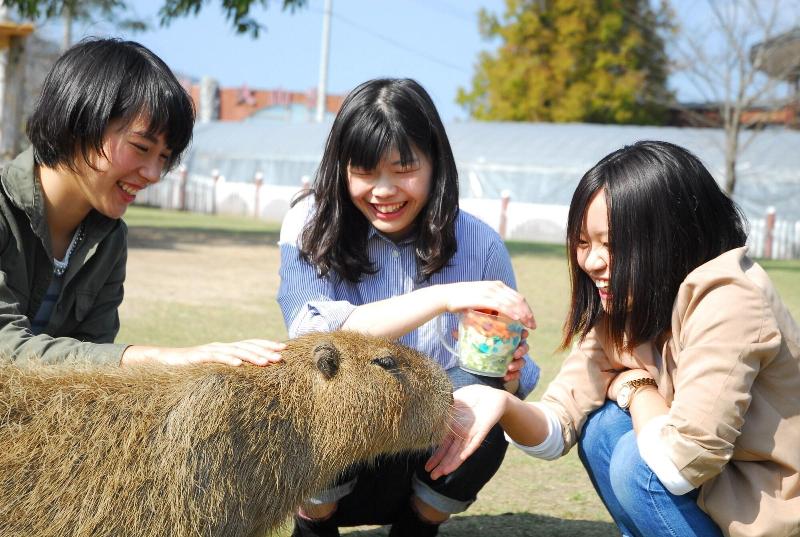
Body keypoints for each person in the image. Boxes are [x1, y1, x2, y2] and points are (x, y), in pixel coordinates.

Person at [427, 140, 800, 537]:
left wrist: (635, 387)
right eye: (584, 243)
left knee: (635, 461)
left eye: (612, 243)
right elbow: (558, 424)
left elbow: (678, 465)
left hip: (764, 520)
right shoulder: (627, 305)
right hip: (709, 496)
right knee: (602, 428)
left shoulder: (729, 297)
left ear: (672, 234)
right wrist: (500, 403)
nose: (591, 261)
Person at [277, 78, 540, 537]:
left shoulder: (481, 244)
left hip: (429, 459)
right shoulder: (310, 224)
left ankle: (418, 525)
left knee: (482, 399)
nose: (383, 190)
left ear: (435, 164)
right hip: (332, 463)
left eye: (403, 169)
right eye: (364, 171)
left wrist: (509, 374)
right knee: (326, 375)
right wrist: (441, 297)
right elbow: (311, 336)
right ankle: (314, 527)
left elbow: (505, 384)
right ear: (341, 169)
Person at [0, 38, 284, 367]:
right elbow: (6, 348)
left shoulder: (108, 238)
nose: (153, 174)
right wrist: (156, 357)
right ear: (79, 123)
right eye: (140, 147)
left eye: (164, 157)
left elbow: (89, 373)